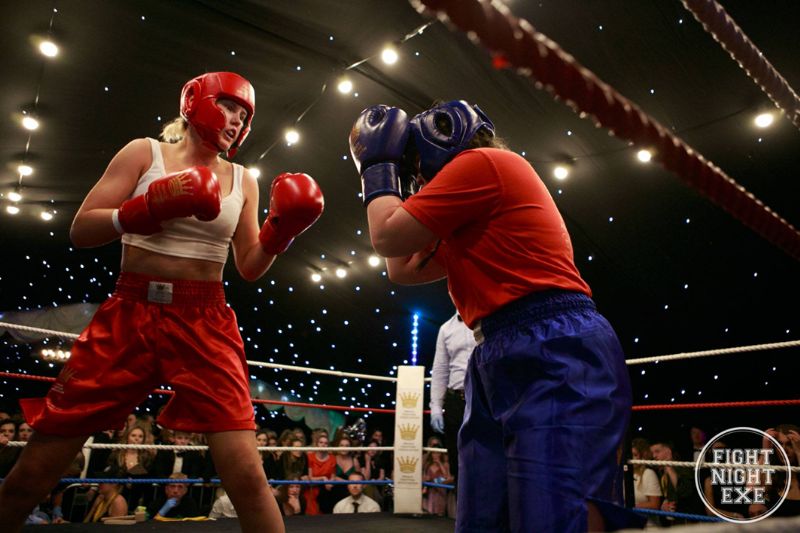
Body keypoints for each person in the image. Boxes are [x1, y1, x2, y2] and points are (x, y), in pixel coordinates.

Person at [0, 71, 324, 533]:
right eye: (230, 106)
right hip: (129, 314)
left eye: (245, 115)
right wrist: (145, 208)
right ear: (197, 101)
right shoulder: (144, 153)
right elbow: (81, 229)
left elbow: (250, 265)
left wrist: (282, 230)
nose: (237, 121)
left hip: (205, 320)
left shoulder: (244, 180)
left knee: (249, 477)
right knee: (32, 472)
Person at [349, 101, 635, 532]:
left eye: (415, 168)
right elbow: (399, 266)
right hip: (494, 355)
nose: (419, 179)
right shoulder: (468, 215)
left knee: (557, 516)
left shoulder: (483, 163)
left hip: (553, 345)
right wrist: (398, 179)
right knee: (483, 519)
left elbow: (386, 236)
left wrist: (377, 164)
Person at [429, 311, 476, 488]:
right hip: (456, 399)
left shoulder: (489, 315)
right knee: (457, 460)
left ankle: (492, 514)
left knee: (489, 456)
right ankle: (462, 514)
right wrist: (436, 407)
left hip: (485, 396)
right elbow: (440, 369)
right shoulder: (446, 329)